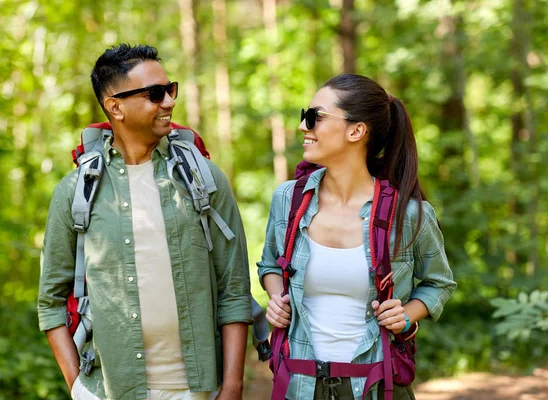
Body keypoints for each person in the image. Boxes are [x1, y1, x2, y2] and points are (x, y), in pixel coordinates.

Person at [38, 43, 252, 400]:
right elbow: (50, 300)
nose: (168, 101)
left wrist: (232, 386)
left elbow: (234, 289)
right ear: (115, 106)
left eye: (170, 90)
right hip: (110, 391)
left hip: (197, 390)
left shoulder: (204, 180)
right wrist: (77, 386)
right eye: (155, 94)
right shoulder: (76, 190)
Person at [258, 74, 456, 400]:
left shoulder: (406, 215)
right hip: (301, 385)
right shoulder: (288, 200)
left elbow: (439, 283)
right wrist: (277, 298)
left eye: (315, 117)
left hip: (376, 385)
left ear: (356, 130)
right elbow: (269, 264)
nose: (302, 127)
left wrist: (407, 314)